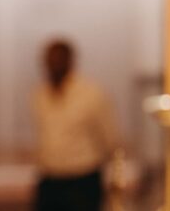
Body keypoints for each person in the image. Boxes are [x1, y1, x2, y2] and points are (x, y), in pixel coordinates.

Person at [33, 40, 119, 211]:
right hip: (49, 178)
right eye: (49, 60)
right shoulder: (39, 95)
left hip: (82, 180)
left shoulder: (91, 93)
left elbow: (109, 137)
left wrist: (112, 173)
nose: (52, 65)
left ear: (70, 61)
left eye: (57, 59)